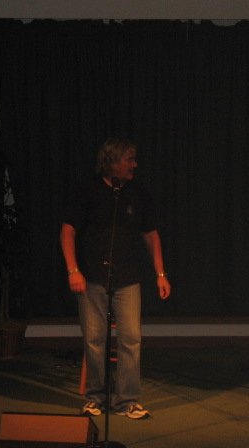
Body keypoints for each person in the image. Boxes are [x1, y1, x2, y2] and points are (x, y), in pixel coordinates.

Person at [60, 138, 171, 419]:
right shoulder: (87, 190)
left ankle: (127, 400)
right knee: (94, 339)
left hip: (128, 277)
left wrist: (161, 274)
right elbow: (68, 231)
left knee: (131, 338)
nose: (134, 164)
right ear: (111, 162)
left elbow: (151, 235)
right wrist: (73, 270)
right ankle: (95, 398)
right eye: (128, 159)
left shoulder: (138, 193)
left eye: (134, 159)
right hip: (92, 276)